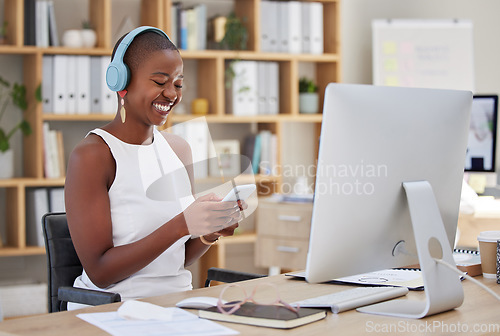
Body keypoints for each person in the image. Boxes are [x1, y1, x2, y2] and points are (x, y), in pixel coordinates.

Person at [64, 26, 243, 309]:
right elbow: (100, 273)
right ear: (120, 81)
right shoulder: (93, 155)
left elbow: (173, 259)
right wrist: (182, 224)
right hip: (114, 310)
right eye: (160, 82)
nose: (171, 94)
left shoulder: (178, 149)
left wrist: (208, 232)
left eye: (178, 84)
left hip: (175, 305)